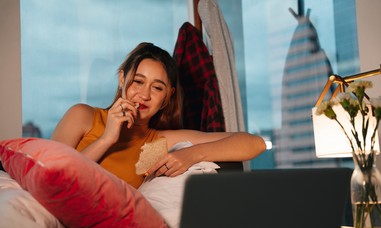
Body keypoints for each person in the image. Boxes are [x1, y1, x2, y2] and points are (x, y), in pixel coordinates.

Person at [51, 42, 266, 189]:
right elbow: (49, 176)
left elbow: (254, 144)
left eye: (157, 88)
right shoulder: (82, 116)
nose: (144, 95)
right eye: (138, 81)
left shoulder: (157, 143)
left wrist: (193, 154)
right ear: (121, 79)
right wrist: (107, 138)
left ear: (167, 97)